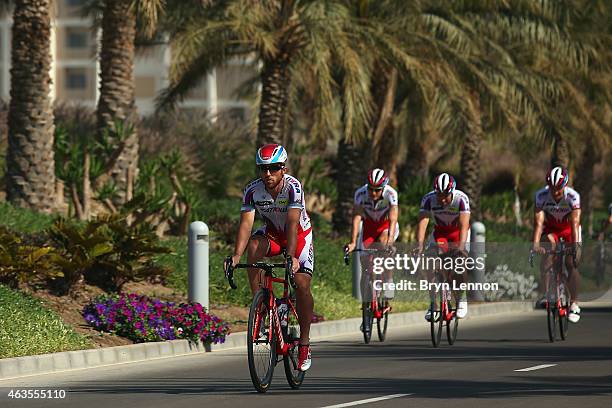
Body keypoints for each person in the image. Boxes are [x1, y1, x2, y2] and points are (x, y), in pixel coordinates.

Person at [229, 144, 314, 371]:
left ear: (283, 168)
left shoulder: (293, 188)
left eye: (274, 168)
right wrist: (237, 255)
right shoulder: (252, 190)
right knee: (254, 245)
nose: (268, 174)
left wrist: (292, 257)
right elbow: (246, 224)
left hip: (299, 236)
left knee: (301, 283)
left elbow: (293, 224)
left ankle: (304, 343)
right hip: (273, 235)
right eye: (263, 169)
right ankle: (264, 306)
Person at [415, 173, 471, 320]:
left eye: (446, 195)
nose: (443, 199)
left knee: (460, 265)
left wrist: (461, 247)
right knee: (430, 264)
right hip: (440, 233)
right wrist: (419, 245)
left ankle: (462, 299)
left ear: (452, 191)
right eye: (439, 195)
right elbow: (422, 224)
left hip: (458, 233)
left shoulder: (461, 199)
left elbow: (464, 225)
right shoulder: (428, 199)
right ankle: (433, 304)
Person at [345, 169, 399, 312]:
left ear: (383, 187)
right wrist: (352, 242)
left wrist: (390, 241)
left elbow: (393, 218)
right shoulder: (360, 193)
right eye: (371, 189)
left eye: (377, 190)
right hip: (369, 227)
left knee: (383, 245)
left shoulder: (391, 194)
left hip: (386, 226)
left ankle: (388, 280)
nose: (373, 193)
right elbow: (356, 218)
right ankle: (366, 308)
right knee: (365, 267)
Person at [532, 166, 582, 323]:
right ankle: (547, 293)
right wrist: (535, 244)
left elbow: (574, 223)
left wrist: (574, 247)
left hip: (569, 231)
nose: (555, 192)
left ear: (564, 185)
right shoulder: (541, 196)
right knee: (547, 253)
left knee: (571, 263)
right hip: (552, 230)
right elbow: (539, 223)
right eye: (552, 188)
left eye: (559, 188)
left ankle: (574, 303)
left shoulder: (573, 196)